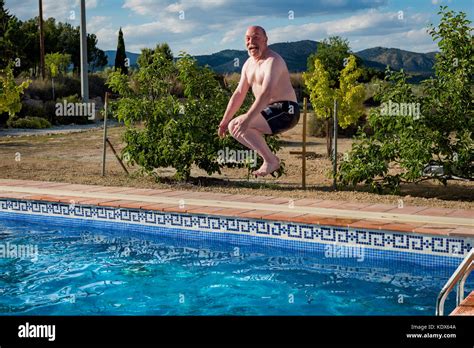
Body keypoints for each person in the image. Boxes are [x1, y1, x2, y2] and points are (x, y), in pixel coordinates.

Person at [218, 25, 300, 177]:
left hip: (286, 110)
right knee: (233, 127)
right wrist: (224, 120)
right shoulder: (248, 64)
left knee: (240, 125)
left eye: (256, 37)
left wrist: (248, 119)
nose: (251, 42)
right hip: (269, 110)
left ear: (265, 40)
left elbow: (266, 93)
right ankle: (270, 159)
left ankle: (270, 161)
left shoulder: (273, 61)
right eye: (248, 39)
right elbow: (239, 93)